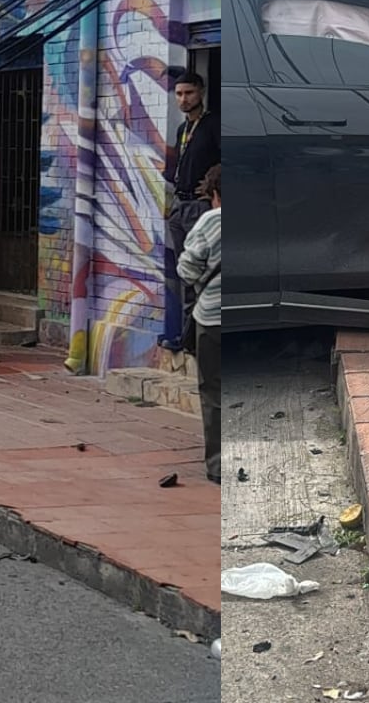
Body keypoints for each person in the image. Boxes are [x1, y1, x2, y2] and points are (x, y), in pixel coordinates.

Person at [162, 71, 219, 350]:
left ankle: (195, 340)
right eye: (179, 94)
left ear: (201, 93)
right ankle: (185, 338)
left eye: (189, 93)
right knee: (183, 273)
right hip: (179, 206)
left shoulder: (213, 125)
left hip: (200, 208)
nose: (183, 99)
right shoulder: (182, 129)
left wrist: (212, 187)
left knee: (201, 273)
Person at [176, 165, 222, 484]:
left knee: (214, 391)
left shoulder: (210, 221)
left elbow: (187, 268)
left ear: (215, 193)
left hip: (214, 318)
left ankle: (219, 465)